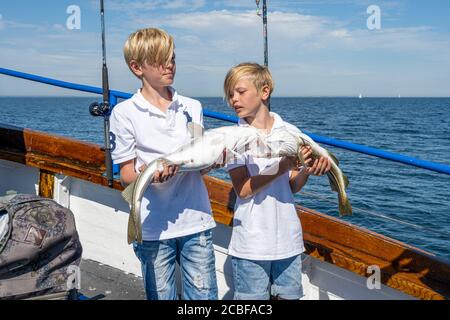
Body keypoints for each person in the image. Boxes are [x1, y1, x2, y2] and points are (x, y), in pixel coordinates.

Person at [109, 28, 218, 300]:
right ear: (137, 67)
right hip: (152, 227)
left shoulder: (192, 107)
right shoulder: (124, 113)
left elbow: (200, 161)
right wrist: (152, 175)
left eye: (172, 58)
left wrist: (215, 160)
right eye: (160, 60)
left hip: (197, 221)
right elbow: (126, 175)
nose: (169, 65)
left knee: (203, 300)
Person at [224, 62, 331, 300]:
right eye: (230, 94)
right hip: (251, 242)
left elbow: (292, 186)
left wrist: (306, 169)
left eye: (240, 92)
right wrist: (282, 165)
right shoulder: (232, 138)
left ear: (265, 91)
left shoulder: (291, 132)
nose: (234, 99)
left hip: (288, 241)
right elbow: (242, 189)